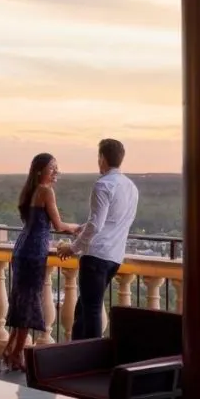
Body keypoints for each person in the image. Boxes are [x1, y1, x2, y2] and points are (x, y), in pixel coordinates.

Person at [1, 153, 78, 372]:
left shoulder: (29, 191)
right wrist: (78, 228)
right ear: (39, 171)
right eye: (52, 168)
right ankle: (16, 355)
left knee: (21, 300)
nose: (56, 172)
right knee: (28, 303)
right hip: (34, 252)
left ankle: (9, 350)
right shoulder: (46, 191)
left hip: (22, 250)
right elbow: (58, 224)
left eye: (56, 168)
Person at [57, 138, 139, 340]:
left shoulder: (103, 185)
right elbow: (112, 220)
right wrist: (81, 229)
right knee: (83, 309)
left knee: (91, 309)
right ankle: (76, 352)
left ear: (102, 158)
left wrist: (72, 248)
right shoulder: (131, 187)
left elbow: (97, 224)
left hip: (96, 256)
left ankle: (92, 357)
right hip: (114, 256)